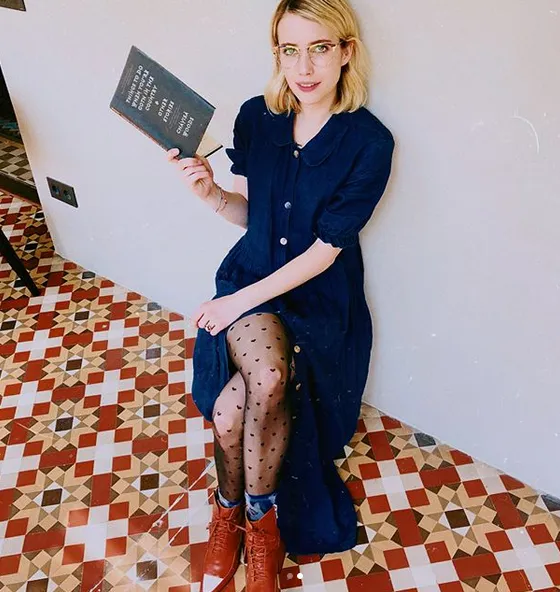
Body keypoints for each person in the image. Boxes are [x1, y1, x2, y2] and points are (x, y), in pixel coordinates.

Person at [167, 1, 394, 590]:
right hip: (253, 274)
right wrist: (210, 195)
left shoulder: (369, 141)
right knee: (265, 378)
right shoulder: (256, 117)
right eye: (290, 50)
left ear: (346, 51)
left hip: (317, 296)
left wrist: (236, 304)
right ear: (277, 55)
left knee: (232, 408)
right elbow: (253, 216)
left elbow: (324, 251)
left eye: (320, 48)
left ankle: (247, 517)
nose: (304, 67)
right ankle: (244, 518)